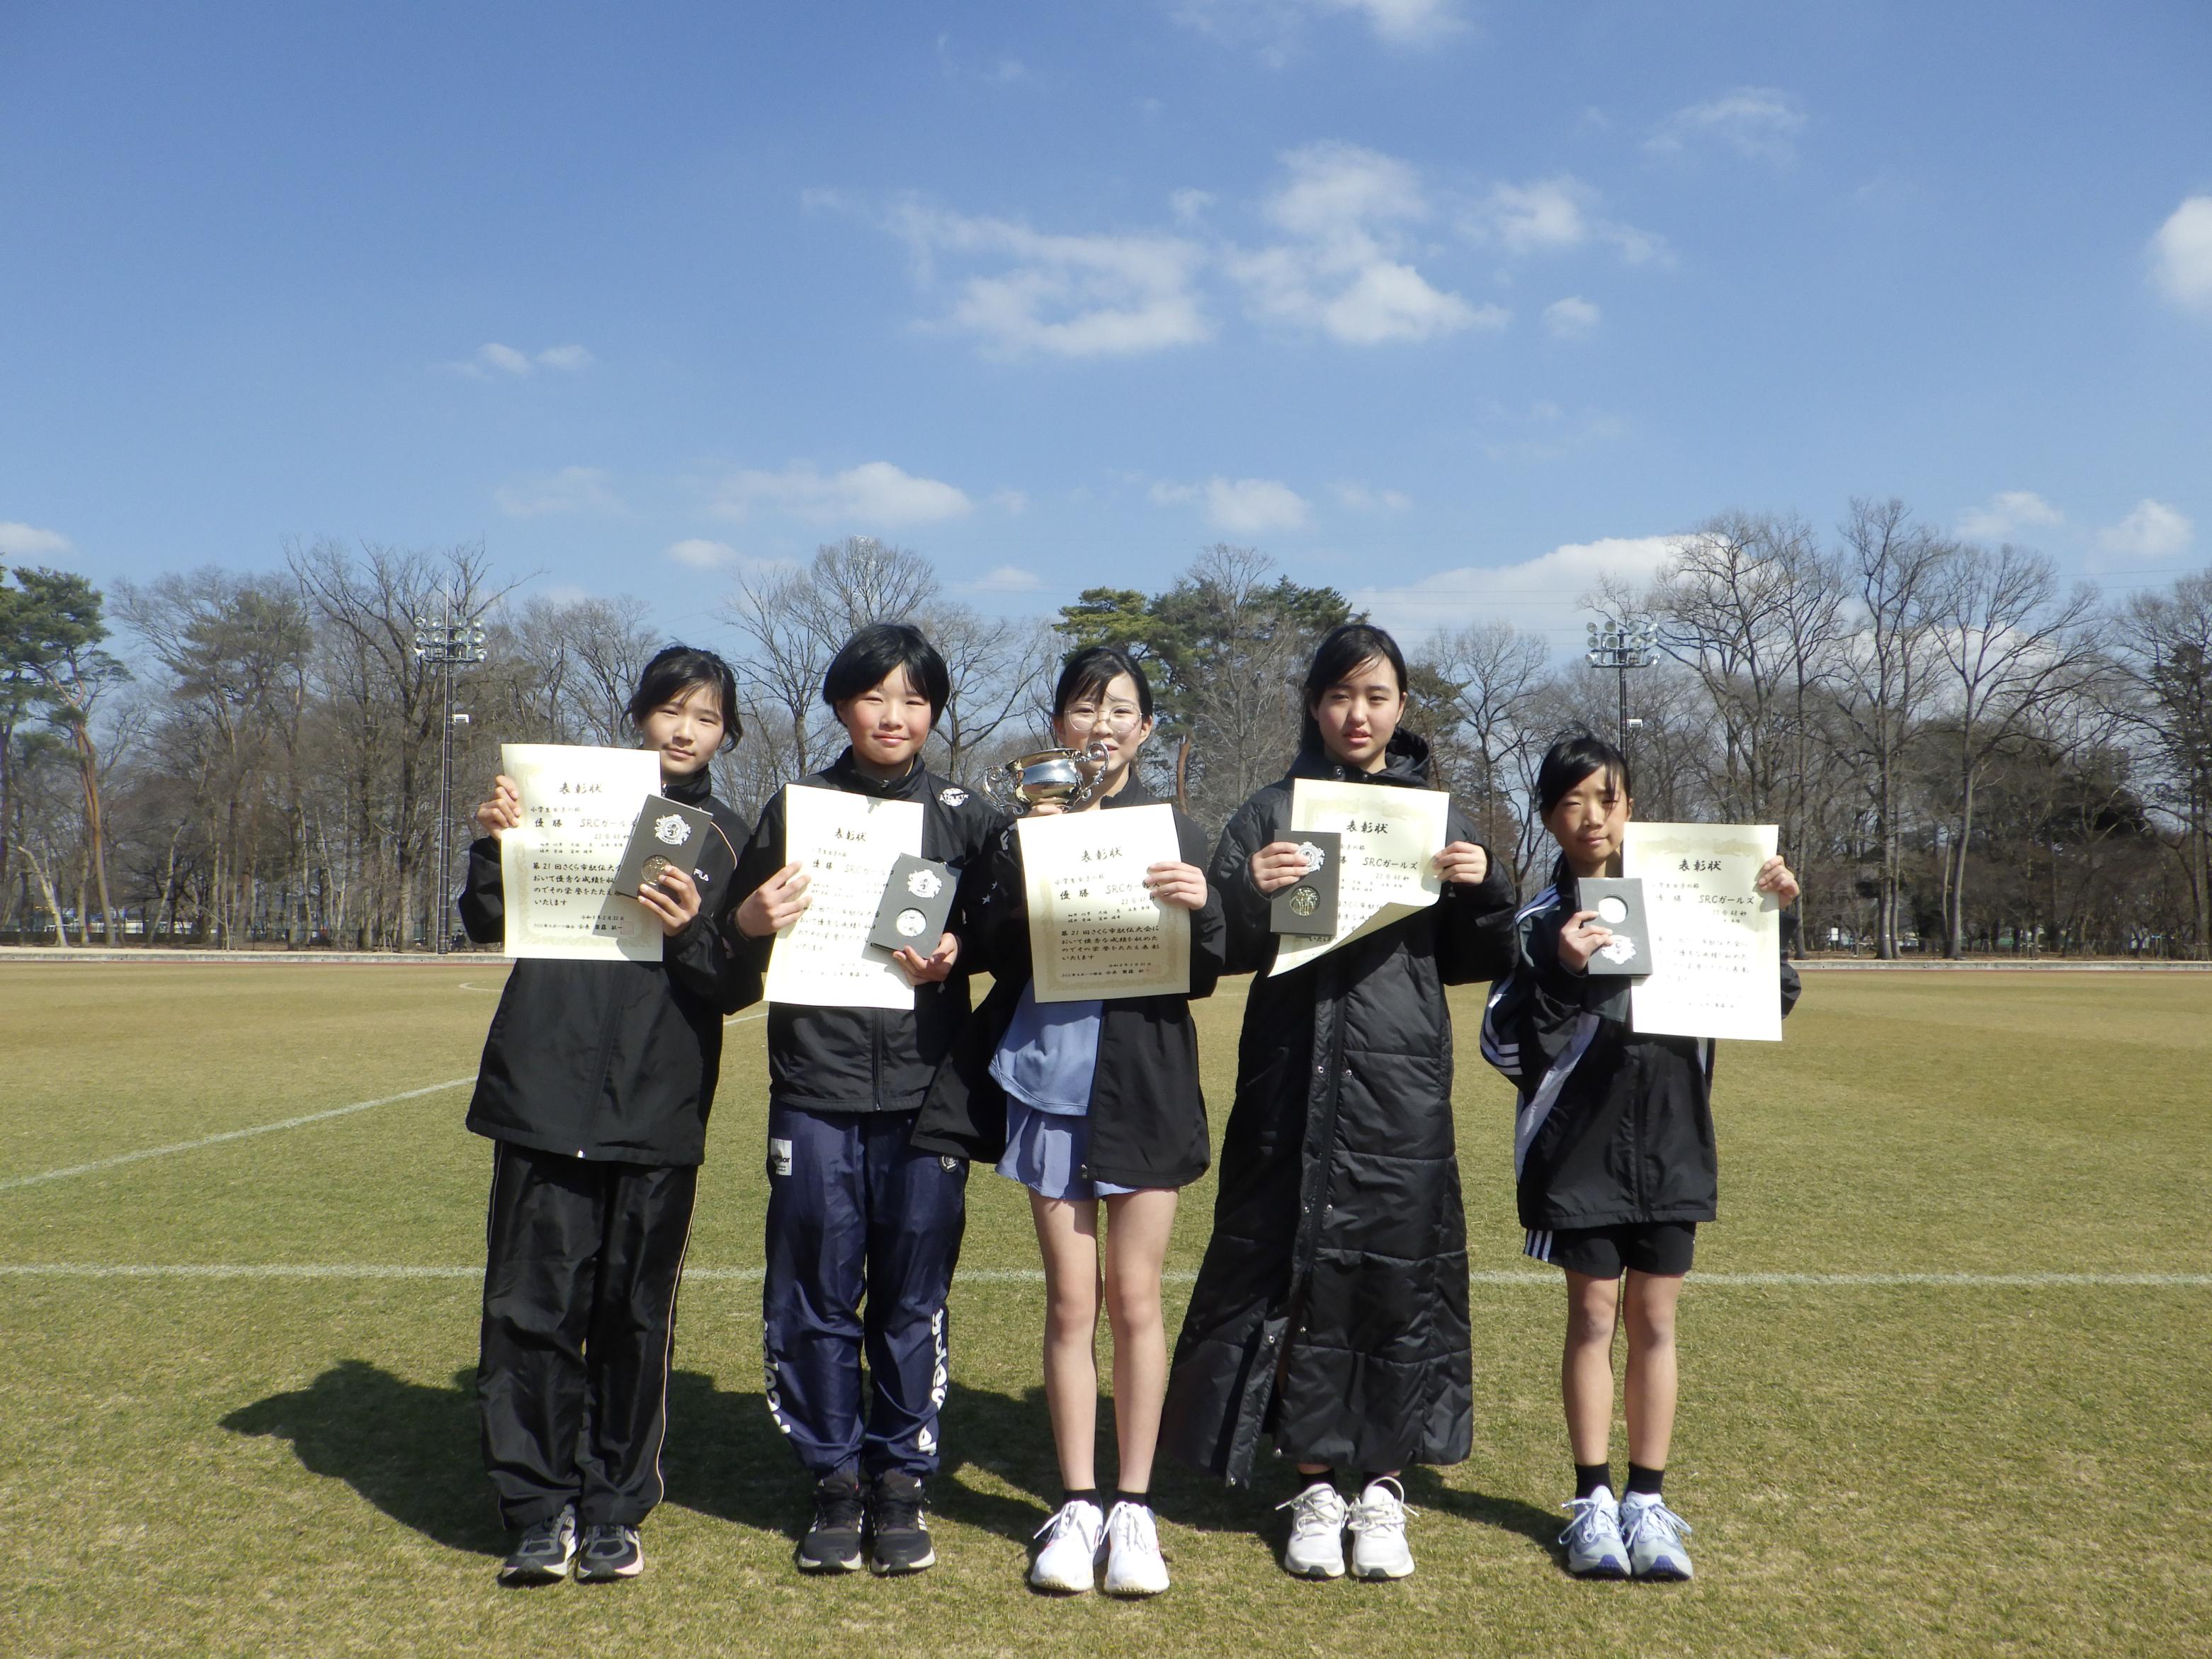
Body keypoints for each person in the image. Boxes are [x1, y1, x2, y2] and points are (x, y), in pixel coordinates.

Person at [1159, 623, 1517, 1582]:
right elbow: (1219, 942)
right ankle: (1314, 1479)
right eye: (1337, 696)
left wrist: (1484, 888)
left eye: (1376, 696)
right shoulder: (1274, 807)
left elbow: (1482, 954)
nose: (1356, 715)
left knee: (1396, 1276)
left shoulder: (1437, 814)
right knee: (1299, 1274)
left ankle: (1384, 1485)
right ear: (1313, 706)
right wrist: (1246, 888)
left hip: (1401, 1084)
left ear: (1400, 706)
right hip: (1291, 1071)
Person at [912, 646, 1224, 1598]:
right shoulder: (1020, 827)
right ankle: (1076, 1499)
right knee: (1068, 1303)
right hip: (1048, 1081)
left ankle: (1133, 1507)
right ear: (1058, 726)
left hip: (1145, 1083)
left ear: (1144, 729)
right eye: (1084, 708)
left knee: (1135, 1299)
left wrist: (1200, 905)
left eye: (1120, 709)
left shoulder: (1175, 830)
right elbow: (993, 949)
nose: (1101, 724)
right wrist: (1027, 853)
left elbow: (1206, 966)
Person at [459, 644, 758, 1586]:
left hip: (656, 1099)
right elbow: (486, 919)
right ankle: (537, 1509)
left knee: (634, 1311)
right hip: (544, 1089)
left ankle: (614, 1510)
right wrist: (495, 839)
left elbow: (737, 984)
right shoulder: (561, 798)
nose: (684, 728)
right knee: (527, 1309)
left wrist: (692, 930)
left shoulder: (729, 835)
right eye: (671, 709)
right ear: (639, 715)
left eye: (705, 716)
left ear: (725, 732)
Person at [1480, 734, 1800, 1581]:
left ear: (1631, 804)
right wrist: (1562, 969)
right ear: (1550, 815)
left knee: (1655, 1321)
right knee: (1591, 1319)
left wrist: (1768, 911)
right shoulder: (1537, 920)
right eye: (1572, 801)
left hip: (1671, 1144)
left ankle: (1648, 1501)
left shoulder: (1693, 897)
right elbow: (1501, 1045)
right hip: (1575, 1153)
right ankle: (1591, 1500)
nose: (1592, 816)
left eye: (1608, 797)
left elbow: (1772, 992)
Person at [729, 622, 1003, 1577]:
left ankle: (898, 1477)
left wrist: (962, 949)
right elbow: (732, 936)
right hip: (814, 1083)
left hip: (928, 1093)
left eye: (915, 699)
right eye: (876, 696)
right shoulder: (795, 809)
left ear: (934, 712)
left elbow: (1011, 931)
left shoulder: (970, 814)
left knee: (909, 1293)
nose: (895, 715)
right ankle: (833, 1478)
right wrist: (746, 920)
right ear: (840, 703)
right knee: (812, 1284)